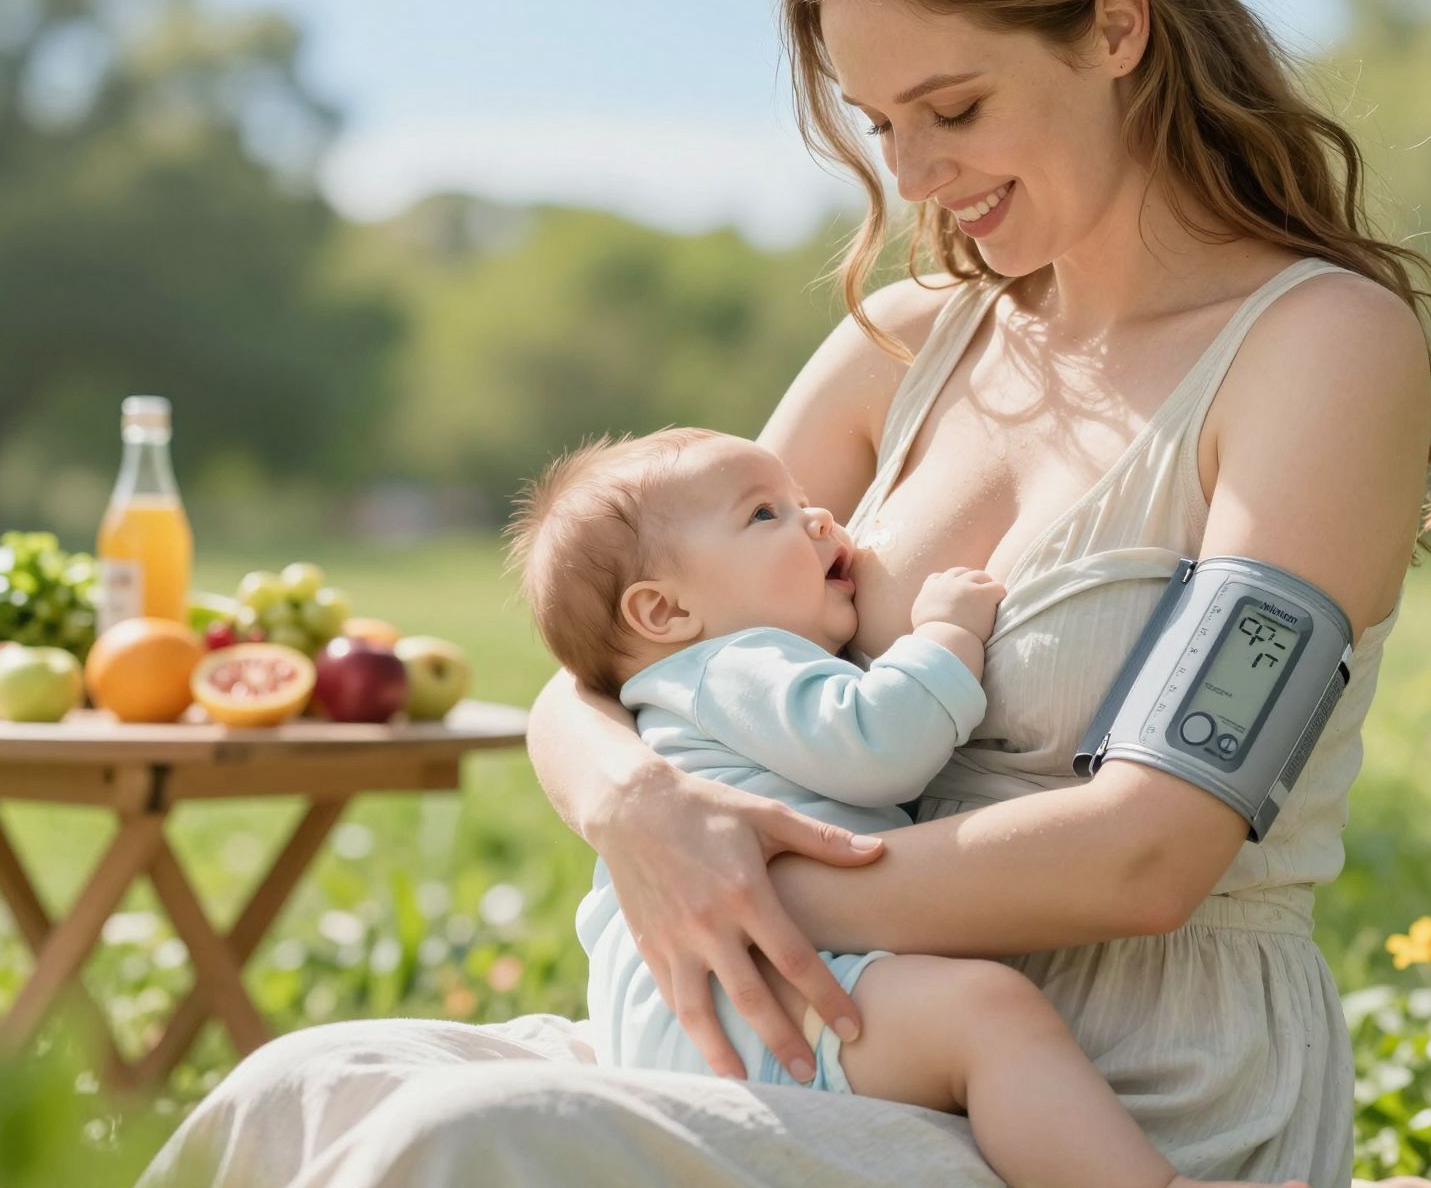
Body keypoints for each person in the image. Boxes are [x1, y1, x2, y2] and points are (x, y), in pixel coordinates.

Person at [140, 0, 1431, 1188]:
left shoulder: (1317, 350)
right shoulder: (906, 343)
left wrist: (748, 881)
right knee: (300, 1085)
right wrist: (635, 811)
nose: (915, 176)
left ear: (1113, 28)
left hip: (1121, 1093)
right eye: (880, 122)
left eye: (953, 107)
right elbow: (607, 659)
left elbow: (1148, 856)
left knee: (457, 1141)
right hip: (822, 1031)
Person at [508, 425, 1306, 1188]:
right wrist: (946, 637)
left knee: (977, 1018)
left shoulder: (682, 694)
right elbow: (876, 742)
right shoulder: (736, 663)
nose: (821, 518)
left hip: (704, 1006)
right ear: (664, 612)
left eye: (800, 500)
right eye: (764, 514)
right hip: (752, 1002)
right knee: (986, 1016)